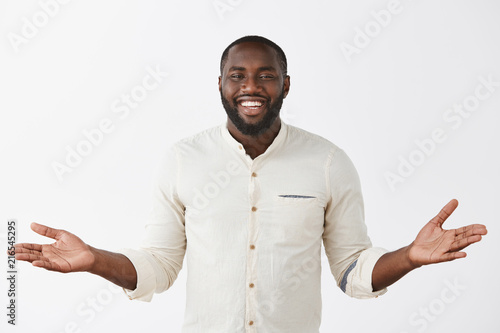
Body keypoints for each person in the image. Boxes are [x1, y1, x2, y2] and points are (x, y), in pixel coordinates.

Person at [14, 36, 487, 332]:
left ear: (286, 84)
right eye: (238, 75)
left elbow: (351, 271)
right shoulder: (183, 160)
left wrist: (409, 256)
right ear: (220, 83)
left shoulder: (327, 161)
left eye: (266, 76)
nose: (251, 87)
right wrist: (94, 260)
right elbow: (158, 266)